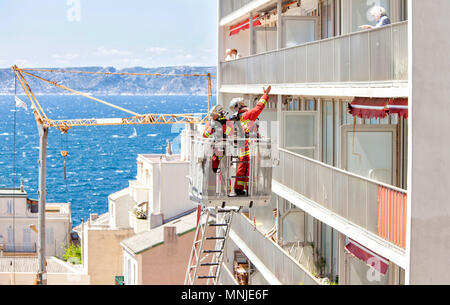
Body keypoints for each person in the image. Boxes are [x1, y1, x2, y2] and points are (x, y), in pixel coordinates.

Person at [229, 86, 271, 196]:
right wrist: (265, 95)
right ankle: (244, 189)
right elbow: (258, 108)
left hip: (245, 147)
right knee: (248, 169)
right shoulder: (246, 115)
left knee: (245, 169)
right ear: (240, 105)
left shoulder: (239, 117)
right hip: (249, 147)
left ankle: (243, 188)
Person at [203, 105, 233, 173]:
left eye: (214, 115)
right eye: (212, 115)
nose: (212, 117)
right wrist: (212, 129)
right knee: (214, 169)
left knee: (226, 172)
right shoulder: (210, 123)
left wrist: (222, 126)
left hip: (225, 149)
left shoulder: (227, 122)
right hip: (213, 149)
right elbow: (205, 135)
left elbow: (230, 133)